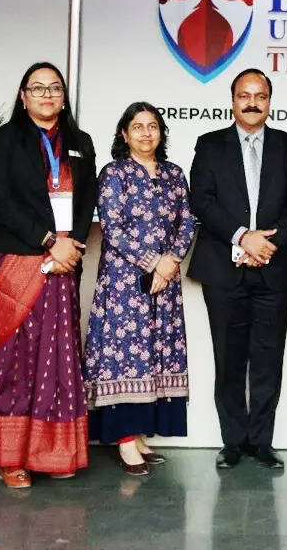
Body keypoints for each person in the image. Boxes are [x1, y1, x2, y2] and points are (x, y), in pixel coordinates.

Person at [0, 62, 95, 488]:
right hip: (19, 259)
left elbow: (87, 200)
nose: (47, 95)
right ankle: (11, 457)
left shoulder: (80, 142)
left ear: (64, 97)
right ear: (23, 95)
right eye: (38, 88)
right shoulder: (5, 140)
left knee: (60, 357)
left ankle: (54, 452)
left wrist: (72, 243)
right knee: (18, 358)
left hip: (64, 262)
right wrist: (48, 240)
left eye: (55, 88)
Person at [188, 69, 287, 470]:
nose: (252, 103)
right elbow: (202, 200)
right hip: (224, 268)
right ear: (232, 99)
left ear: (270, 101)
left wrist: (268, 243)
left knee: (269, 359)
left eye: (260, 96)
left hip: (275, 266)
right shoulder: (210, 144)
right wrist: (242, 237)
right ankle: (233, 442)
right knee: (229, 358)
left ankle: (262, 442)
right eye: (244, 95)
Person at [85, 102, 196, 476]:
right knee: (125, 357)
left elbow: (187, 221)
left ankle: (140, 436)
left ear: (161, 133)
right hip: (125, 282)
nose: (146, 133)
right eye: (138, 126)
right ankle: (125, 439)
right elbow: (113, 230)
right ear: (124, 134)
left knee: (155, 354)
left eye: (152, 126)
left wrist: (172, 260)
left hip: (165, 282)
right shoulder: (114, 173)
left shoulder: (173, 174)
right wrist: (154, 262)